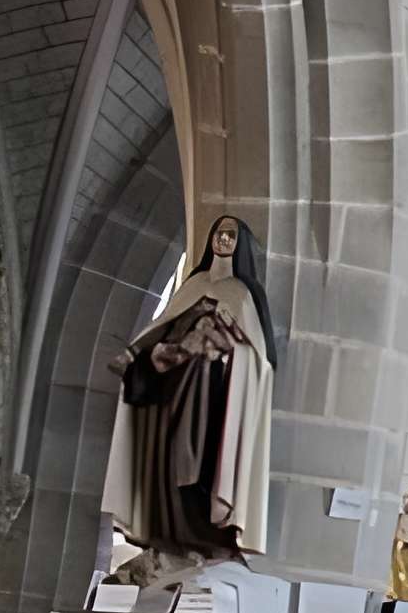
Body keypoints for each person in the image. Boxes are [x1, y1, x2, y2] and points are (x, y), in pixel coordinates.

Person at [103, 212, 282, 561]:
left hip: (214, 397)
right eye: (219, 233)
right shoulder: (194, 285)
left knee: (202, 465)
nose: (224, 239)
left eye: (230, 235)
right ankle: (166, 536)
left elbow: (259, 361)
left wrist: (230, 347)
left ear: (240, 243)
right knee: (170, 460)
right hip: (176, 394)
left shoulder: (242, 294)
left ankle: (203, 537)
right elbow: (163, 326)